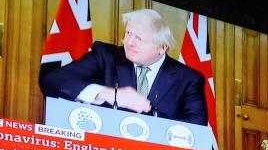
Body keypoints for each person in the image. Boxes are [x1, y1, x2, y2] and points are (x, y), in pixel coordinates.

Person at [39, 9, 209, 125]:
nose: (129, 42)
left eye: (139, 38)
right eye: (128, 33)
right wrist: (107, 93)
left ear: (162, 47)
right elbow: (52, 80)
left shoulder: (189, 79)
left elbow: (196, 126)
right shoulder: (105, 56)